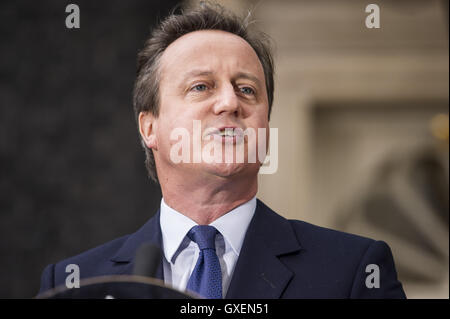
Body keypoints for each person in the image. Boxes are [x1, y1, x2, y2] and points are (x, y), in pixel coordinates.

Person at [38, 2, 406, 299]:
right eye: (201, 86)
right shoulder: (78, 283)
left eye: (247, 89)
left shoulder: (354, 271)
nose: (230, 102)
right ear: (149, 127)